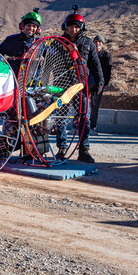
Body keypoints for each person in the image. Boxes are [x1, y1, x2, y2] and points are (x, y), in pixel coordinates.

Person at [56, 12, 104, 163]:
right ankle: (61, 149)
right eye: (70, 27)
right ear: (66, 27)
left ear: (81, 28)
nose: (73, 30)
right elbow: (47, 59)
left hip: (80, 87)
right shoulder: (57, 42)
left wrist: (99, 83)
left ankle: (84, 150)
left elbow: (95, 66)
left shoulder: (88, 44)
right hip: (61, 87)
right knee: (61, 118)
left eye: (76, 27)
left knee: (84, 118)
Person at [0, 9, 42, 74]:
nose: (31, 28)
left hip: (33, 80)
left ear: (38, 29)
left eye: (34, 26)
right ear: (22, 26)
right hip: (13, 78)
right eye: (28, 25)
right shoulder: (10, 40)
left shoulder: (40, 43)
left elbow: (52, 56)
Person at [89, 35, 113, 134]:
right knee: (81, 104)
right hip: (87, 82)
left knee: (94, 105)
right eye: (95, 42)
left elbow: (108, 72)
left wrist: (103, 84)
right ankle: (77, 126)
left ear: (103, 44)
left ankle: (92, 126)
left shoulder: (106, 56)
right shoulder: (90, 54)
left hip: (98, 84)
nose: (97, 44)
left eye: (100, 42)